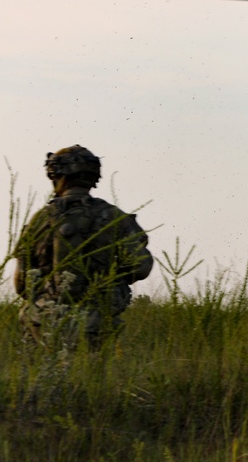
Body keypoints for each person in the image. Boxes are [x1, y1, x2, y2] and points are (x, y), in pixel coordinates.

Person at [13, 145, 153, 350]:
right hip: (96, 322)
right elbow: (141, 267)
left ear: (57, 175)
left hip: (42, 323)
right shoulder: (114, 217)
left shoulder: (38, 220)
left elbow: (22, 285)